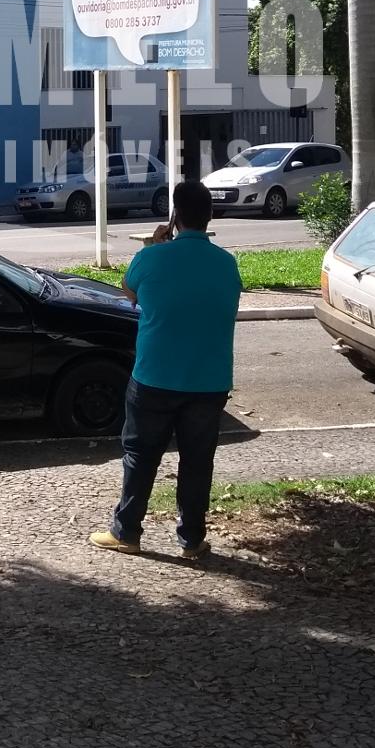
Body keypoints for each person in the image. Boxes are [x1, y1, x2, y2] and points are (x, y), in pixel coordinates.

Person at [88, 178, 242, 562]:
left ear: (174, 217)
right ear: (209, 218)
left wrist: (157, 247)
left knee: (141, 454)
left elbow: (130, 291)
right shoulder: (227, 264)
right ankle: (192, 540)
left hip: (155, 375)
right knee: (197, 460)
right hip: (209, 380)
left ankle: (127, 532)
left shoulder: (151, 258)